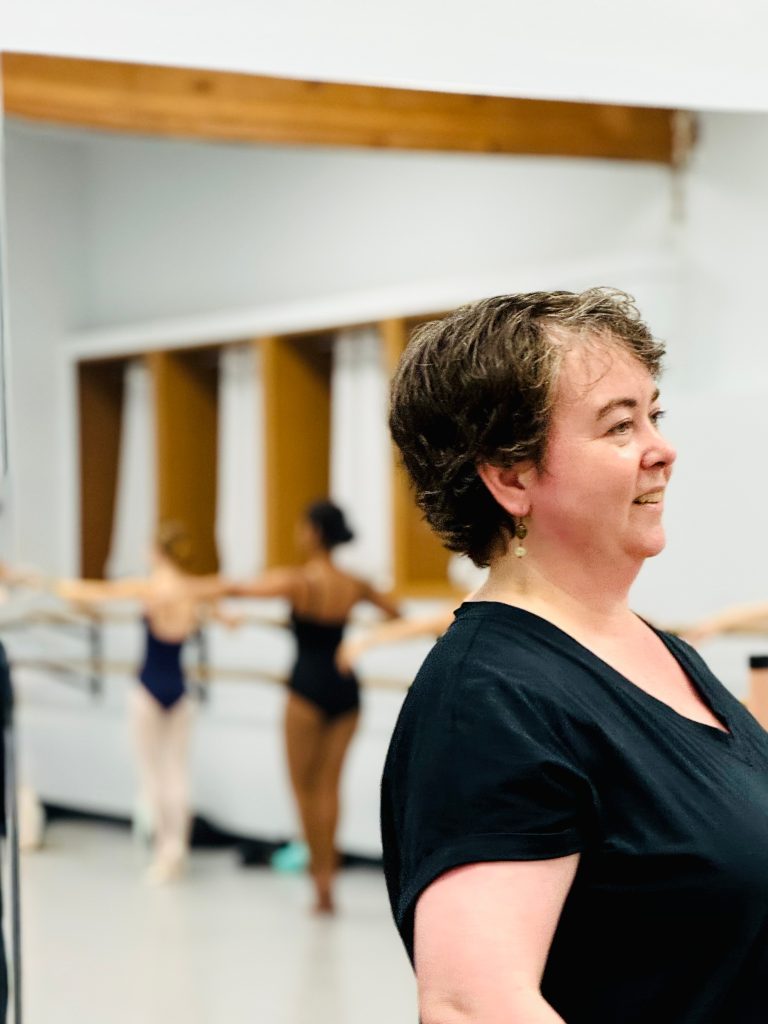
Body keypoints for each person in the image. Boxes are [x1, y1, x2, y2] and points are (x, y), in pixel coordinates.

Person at [380, 289, 768, 1023]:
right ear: (512, 478)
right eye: (620, 426)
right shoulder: (491, 703)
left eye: (655, 414)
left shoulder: (657, 649)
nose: (662, 448)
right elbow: (473, 1004)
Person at [231, 499, 399, 913]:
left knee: (303, 790)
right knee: (329, 789)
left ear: (314, 533)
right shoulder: (354, 583)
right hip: (345, 689)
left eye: (303, 527)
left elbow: (240, 589)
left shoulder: (299, 581)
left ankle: (318, 882)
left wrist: (196, 588)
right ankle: (328, 881)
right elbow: (396, 613)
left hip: (305, 689)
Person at [57, 521, 230, 883]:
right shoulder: (189, 591)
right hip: (180, 690)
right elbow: (224, 615)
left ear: (157, 551)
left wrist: (66, 588)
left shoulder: (153, 587)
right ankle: (176, 849)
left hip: (149, 687)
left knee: (153, 775)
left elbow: (105, 593)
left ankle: (163, 853)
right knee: (177, 773)